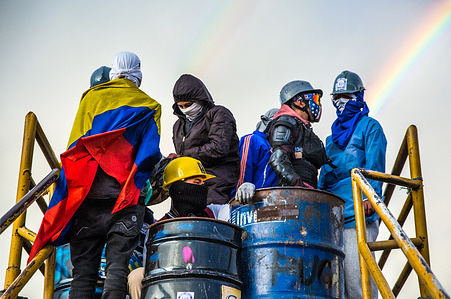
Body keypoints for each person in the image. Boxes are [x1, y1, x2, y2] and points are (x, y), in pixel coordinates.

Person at [29, 51, 162, 299]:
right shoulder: (150, 106)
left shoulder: (90, 99)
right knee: (117, 270)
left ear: (114, 71)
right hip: (123, 201)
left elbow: (76, 147)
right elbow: (148, 157)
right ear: (138, 73)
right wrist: (135, 189)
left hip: (87, 199)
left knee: (83, 274)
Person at [318, 70, 386, 299]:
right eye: (336, 98)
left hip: (358, 213)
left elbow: (375, 167)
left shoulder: (370, 127)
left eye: (346, 96)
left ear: (358, 96)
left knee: (357, 279)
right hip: (333, 218)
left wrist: (371, 197)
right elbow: (324, 177)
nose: (340, 102)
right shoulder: (331, 140)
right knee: (337, 285)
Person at [127, 156, 228, 299]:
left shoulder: (214, 213)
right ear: (178, 187)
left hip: (208, 276)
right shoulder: (157, 228)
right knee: (136, 276)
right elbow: (151, 267)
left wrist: (245, 196)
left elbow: (233, 209)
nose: (203, 188)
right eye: (196, 182)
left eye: (203, 183)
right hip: (168, 281)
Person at [168, 74, 240, 205]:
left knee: (210, 221)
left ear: (201, 99)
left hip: (217, 184)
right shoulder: (178, 126)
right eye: (181, 106)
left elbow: (219, 148)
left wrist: (183, 156)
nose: (185, 109)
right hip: (186, 188)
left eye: (189, 105)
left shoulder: (219, 114)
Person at [266, 80, 331, 189]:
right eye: (315, 99)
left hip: (308, 194)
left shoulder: (303, 128)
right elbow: (277, 159)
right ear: (300, 102)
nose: (318, 104)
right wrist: (298, 185)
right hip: (292, 197)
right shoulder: (285, 123)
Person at [234, 108, 279, 204]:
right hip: (250, 203)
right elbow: (243, 170)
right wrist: (241, 191)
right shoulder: (252, 140)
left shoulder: (278, 148)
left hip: (271, 203)